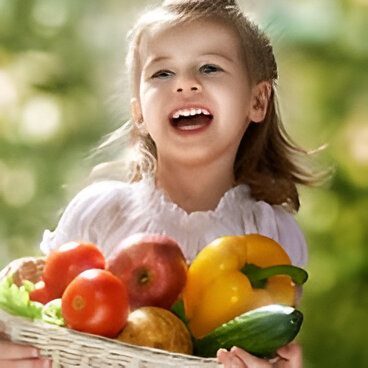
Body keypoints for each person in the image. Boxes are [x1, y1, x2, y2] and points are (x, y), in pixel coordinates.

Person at [0, 0, 323, 366]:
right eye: (162, 74)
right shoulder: (101, 213)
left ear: (257, 100)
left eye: (209, 67)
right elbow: (43, 315)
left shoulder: (271, 231)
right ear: (138, 111)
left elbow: (273, 345)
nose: (185, 84)